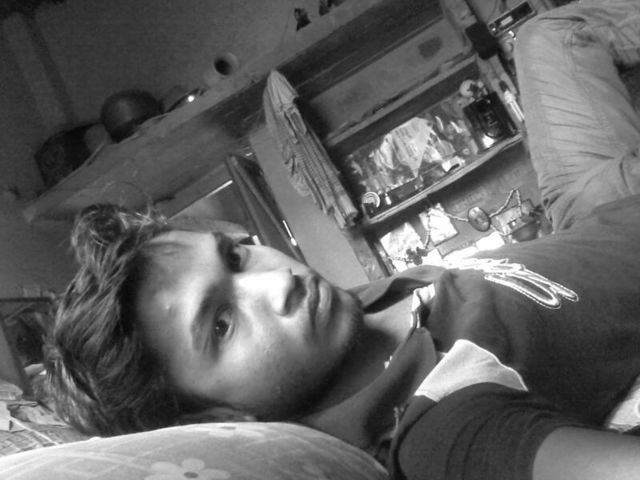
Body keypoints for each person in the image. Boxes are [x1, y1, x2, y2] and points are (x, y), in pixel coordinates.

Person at [45, 0, 640, 478]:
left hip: (588, 211)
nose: (274, 283)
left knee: (549, 35)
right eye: (221, 325)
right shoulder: (441, 426)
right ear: (218, 417)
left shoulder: (343, 320)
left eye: (235, 257)